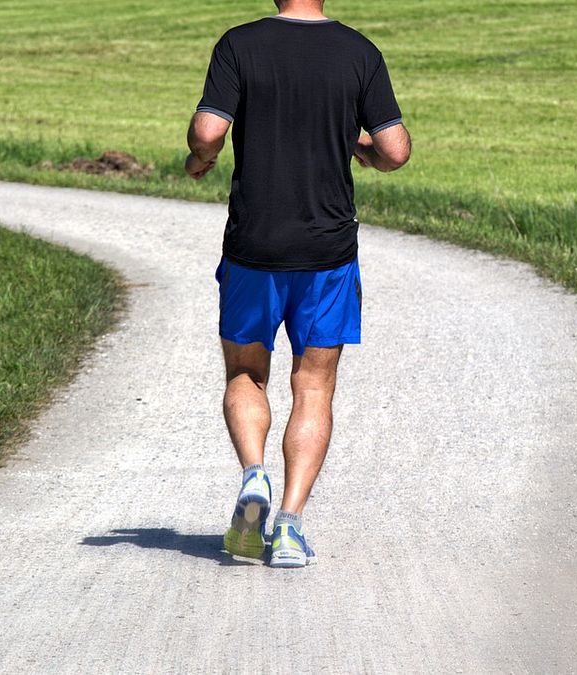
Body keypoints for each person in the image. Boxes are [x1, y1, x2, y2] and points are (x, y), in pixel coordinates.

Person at [185, 0, 411, 568]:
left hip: (253, 245)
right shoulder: (359, 51)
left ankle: (253, 476)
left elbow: (209, 130)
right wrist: (357, 148)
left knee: (244, 372)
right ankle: (288, 526)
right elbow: (395, 150)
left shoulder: (240, 43)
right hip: (327, 251)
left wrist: (199, 160)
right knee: (313, 387)